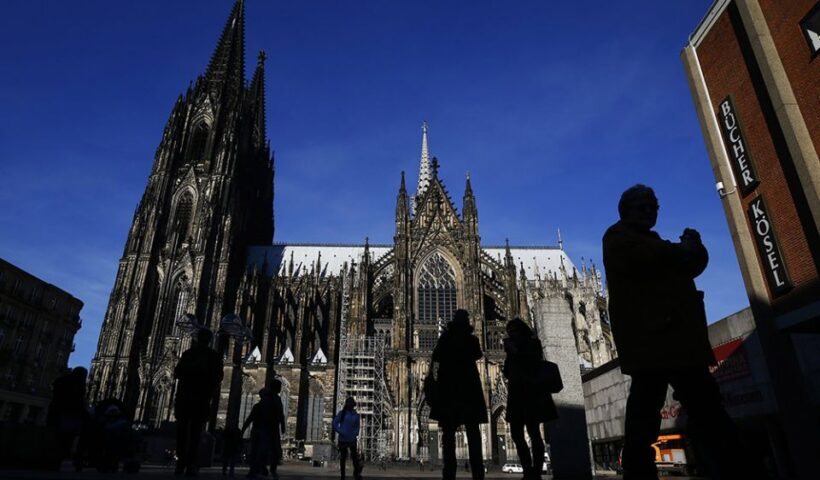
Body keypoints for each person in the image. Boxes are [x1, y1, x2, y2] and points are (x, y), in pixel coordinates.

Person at [602, 184, 756, 480]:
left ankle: (732, 468)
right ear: (626, 210)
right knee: (646, 416)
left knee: (707, 409)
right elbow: (662, 258)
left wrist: (691, 247)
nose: (649, 211)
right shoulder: (619, 237)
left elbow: (691, 263)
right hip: (652, 341)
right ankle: (639, 472)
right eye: (642, 206)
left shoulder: (651, 242)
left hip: (680, 341)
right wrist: (683, 248)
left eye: (653, 207)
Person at [428, 309, 486, 480]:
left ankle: (449, 473)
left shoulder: (446, 338)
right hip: (469, 389)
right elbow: (478, 354)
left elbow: (437, 356)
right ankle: (478, 473)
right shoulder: (472, 339)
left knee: (448, 434)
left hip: (449, 389)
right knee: (473, 433)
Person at [503, 318, 557, 480]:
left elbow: (534, 363)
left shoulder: (533, 344)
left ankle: (535, 471)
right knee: (517, 433)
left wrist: (515, 351)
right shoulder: (525, 344)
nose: (511, 334)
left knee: (533, 432)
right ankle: (528, 469)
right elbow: (508, 370)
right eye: (509, 331)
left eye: (513, 330)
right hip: (520, 391)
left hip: (530, 391)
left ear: (521, 330)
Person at [173, 328, 224, 476]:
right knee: (195, 433)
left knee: (182, 432)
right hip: (201, 399)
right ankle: (190, 464)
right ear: (209, 340)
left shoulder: (188, 354)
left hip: (185, 398)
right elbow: (219, 377)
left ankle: (181, 463)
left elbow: (177, 373)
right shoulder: (213, 356)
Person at [46, 366, 89, 471]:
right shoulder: (78, 384)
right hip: (68, 415)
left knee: (56, 437)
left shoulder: (62, 380)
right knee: (65, 439)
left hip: (56, 412)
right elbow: (78, 401)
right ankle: (57, 460)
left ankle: (52, 460)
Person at [241, 381, 286, 480]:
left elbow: (250, 418)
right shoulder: (272, 400)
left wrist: (243, 429)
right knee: (267, 451)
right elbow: (280, 414)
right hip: (266, 430)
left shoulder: (274, 400)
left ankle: (259, 470)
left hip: (266, 430)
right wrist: (282, 426)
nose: (280, 388)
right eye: (279, 386)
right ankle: (263, 470)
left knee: (261, 451)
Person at [333, 397, 363, 480]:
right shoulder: (342, 413)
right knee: (343, 458)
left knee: (354, 458)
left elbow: (357, 426)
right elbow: (334, 423)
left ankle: (356, 474)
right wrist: (340, 431)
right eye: (349, 404)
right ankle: (343, 476)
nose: (350, 406)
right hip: (343, 439)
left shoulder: (356, 415)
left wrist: (355, 433)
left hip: (352, 439)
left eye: (351, 404)